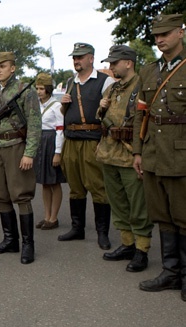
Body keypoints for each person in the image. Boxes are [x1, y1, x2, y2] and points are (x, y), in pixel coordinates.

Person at [134, 14, 186, 299]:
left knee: (184, 216)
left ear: (180, 32)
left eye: (165, 33)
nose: (160, 40)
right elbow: (140, 114)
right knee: (163, 215)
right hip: (153, 152)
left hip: (181, 154)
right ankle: (170, 272)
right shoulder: (149, 71)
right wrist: (138, 151)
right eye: (156, 36)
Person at [0, 52, 42, 264]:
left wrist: (29, 153)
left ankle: (27, 245)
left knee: (21, 195)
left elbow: (34, 124)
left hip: (17, 146)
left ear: (12, 68)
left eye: (3, 66)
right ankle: (10, 240)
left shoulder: (26, 90)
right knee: (1, 194)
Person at [95, 45, 153, 272]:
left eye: (114, 63)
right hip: (108, 154)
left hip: (130, 155)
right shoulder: (111, 89)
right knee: (118, 204)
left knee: (138, 206)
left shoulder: (142, 88)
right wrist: (101, 109)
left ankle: (142, 249)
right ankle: (127, 244)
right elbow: (101, 118)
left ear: (128, 62)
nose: (110, 67)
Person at [58, 42, 116, 249]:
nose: (76, 60)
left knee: (98, 187)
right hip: (71, 140)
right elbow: (64, 114)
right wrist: (64, 105)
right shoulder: (70, 82)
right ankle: (77, 228)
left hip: (93, 140)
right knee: (75, 187)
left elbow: (113, 111)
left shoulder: (105, 80)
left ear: (91, 58)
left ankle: (102, 233)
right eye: (74, 57)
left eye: (80, 57)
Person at [33, 73, 65, 230]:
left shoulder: (57, 106)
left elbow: (60, 130)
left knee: (54, 182)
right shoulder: (37, 105)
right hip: (40, 142)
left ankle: (54, 217)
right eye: (37, 88)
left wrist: (58, 152)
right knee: (45, 182)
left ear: (48, 89)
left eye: (41, 89)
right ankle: (46, 216)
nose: (39, 91)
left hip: (51, 143)